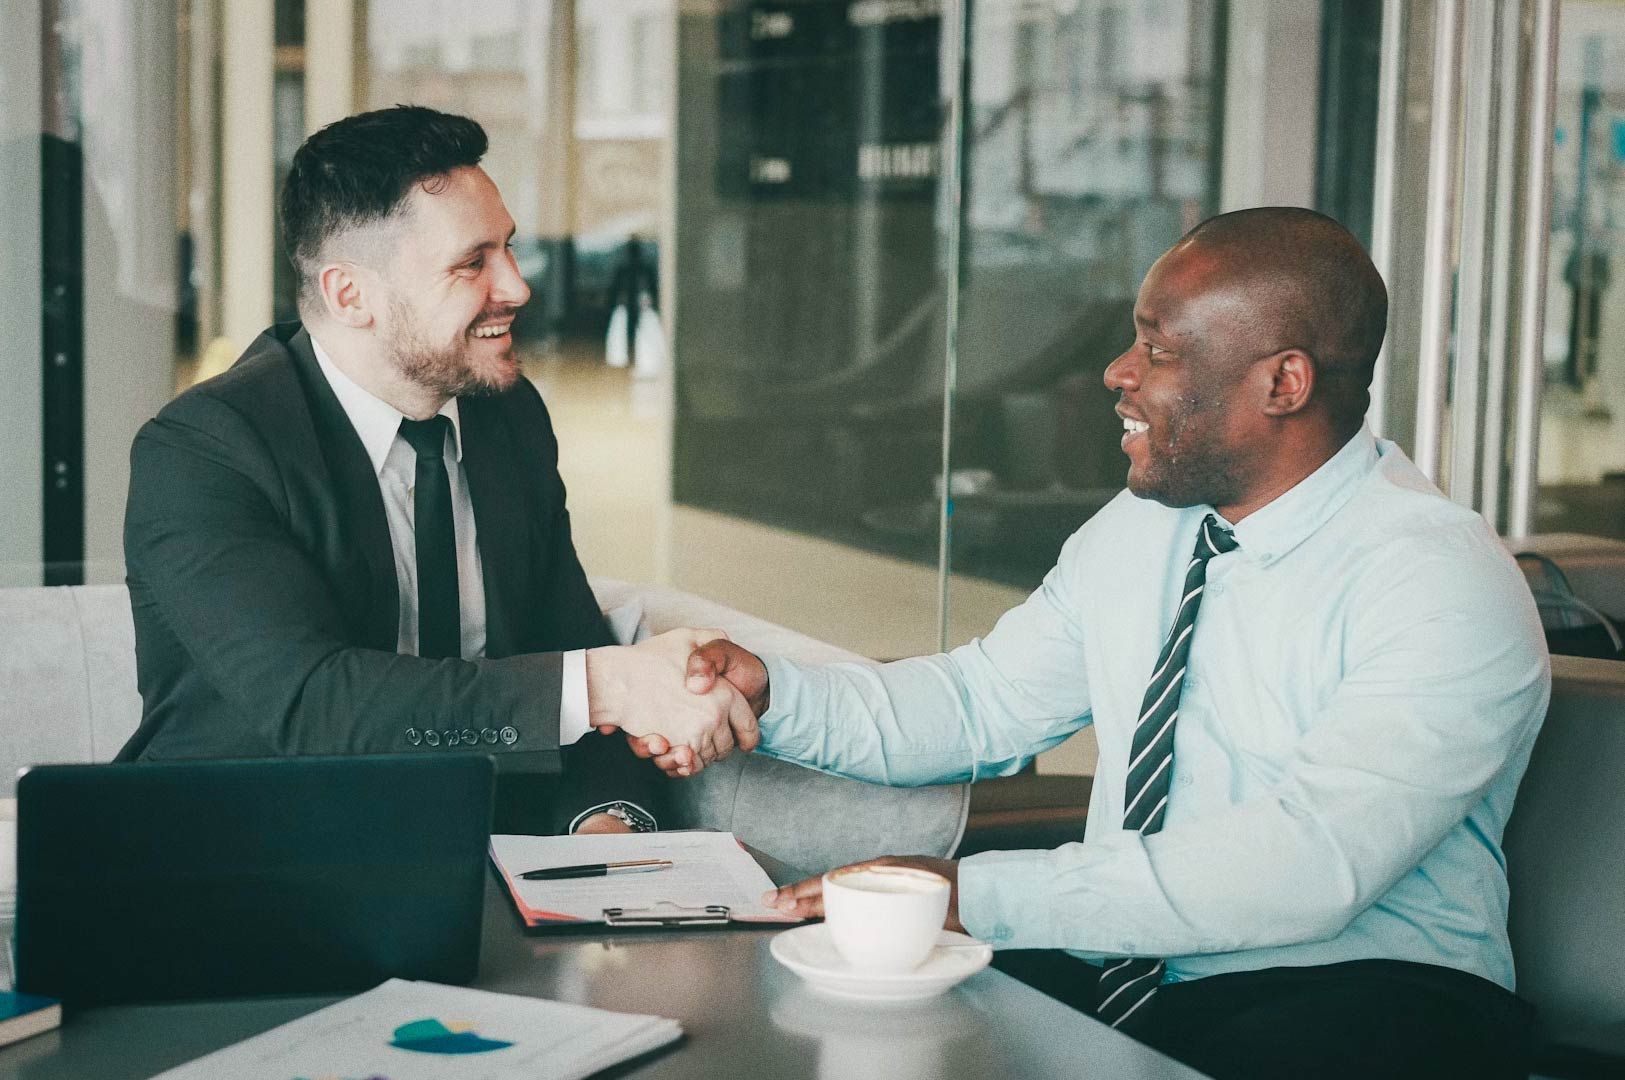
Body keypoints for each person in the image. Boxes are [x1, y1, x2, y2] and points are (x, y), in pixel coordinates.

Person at [660, 209, 1551, 1079]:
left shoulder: (1437, 580)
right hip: (1137, 969)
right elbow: (982, 702)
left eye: (1158, 351)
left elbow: (1310, 862)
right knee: (844, 1024)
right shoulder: (1146, 525)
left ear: (1282, 383)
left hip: (1368, 994)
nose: (1117, 372)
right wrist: (774, 691)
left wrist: (973, 895)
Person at [120, 105, 749, 835]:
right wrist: (607, 687)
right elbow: (313, 704)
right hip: (241, 861)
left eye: (508, 249)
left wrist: (605, 819)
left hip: (472, 850)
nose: (516, 286)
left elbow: (566, 639)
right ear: (349, 295)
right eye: (472, 262)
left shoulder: (506, 417)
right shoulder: (206, 449)